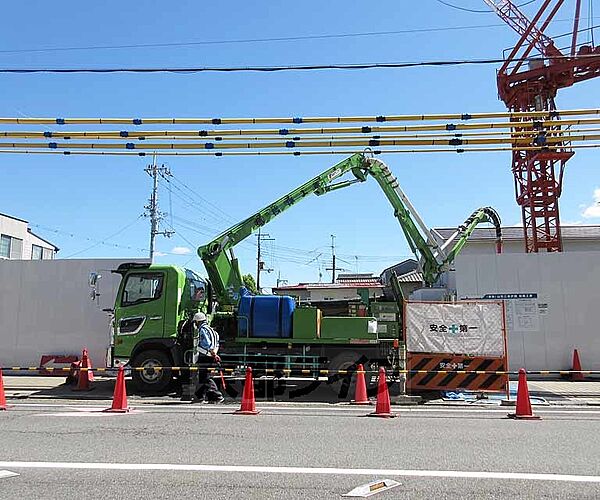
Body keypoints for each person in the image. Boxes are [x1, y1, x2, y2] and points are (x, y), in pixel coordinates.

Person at [192, 312, 224, 403]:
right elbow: (217, 341)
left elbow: (206, 342)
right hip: (211, 355)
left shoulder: (202, 330)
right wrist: (215, 353)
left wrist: (211, 352)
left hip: (205, 355)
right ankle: (202, 397)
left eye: (195, 322)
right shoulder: (212, 330)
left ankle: (217, 396)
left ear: (198, 322)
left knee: (205, 376)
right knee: (204, 376)